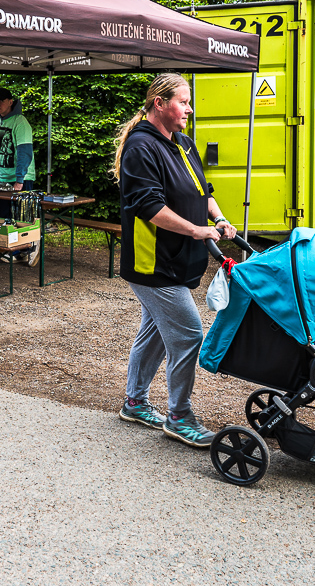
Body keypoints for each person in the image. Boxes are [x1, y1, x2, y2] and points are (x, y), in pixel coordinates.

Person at [114, 73, 238, 448]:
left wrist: (218, 218)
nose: (189, 109)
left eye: (188, 102)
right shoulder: (140, 148)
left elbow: (203, 191)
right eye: (183, 102)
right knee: (188, 334)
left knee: (154, 330)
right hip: (153, 263)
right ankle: (179, 416)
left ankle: (135, 403)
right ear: (160, 103)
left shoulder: (182, 142)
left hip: (178, 259)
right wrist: (196, 230)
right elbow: (150, 207)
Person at [0, 87, 39, 266]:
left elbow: (24, 152)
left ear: (10, 102)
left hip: (21, 178)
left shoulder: (20, 122)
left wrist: (19, 180)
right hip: (2, 178)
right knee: (3, 216)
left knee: (21, 217)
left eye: (1, 101)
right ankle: (11, 249)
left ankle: (27, 249)